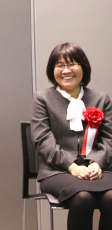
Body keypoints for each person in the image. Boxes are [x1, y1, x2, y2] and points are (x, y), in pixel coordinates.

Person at [31, 42, 112, 230]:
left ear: (84, 67)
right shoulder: (42, 98)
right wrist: (72, 166)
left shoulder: (101, 99)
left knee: (110, 197)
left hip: (97, 170)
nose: (66, 70)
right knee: (83, 197)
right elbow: (43, 141)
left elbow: (109, 139)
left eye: (72, 64)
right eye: (59, 65)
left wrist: (97, 162)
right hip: (57, 172)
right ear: (52, 71)